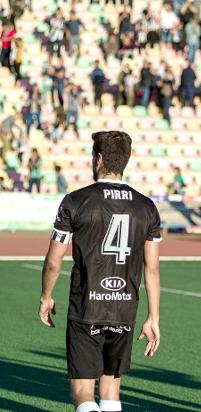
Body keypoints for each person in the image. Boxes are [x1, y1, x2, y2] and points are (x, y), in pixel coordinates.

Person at [38, 131, 162, 412]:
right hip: (125, 309)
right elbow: (151, 268)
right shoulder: (147, 206)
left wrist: (46, 295)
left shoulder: (75, 200)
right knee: (111, 392)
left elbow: (53, 261)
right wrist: (153, 317)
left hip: (87, 306)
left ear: (99, 158)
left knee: (83, 392)